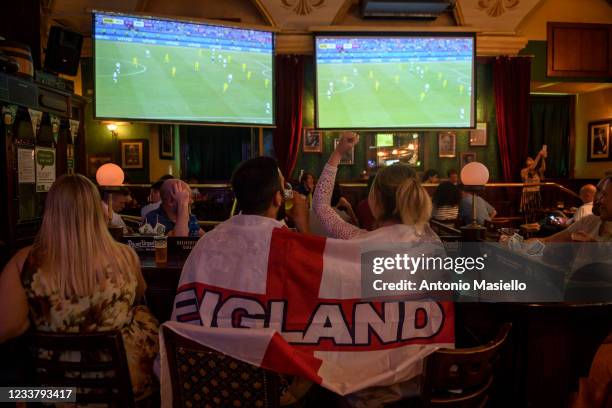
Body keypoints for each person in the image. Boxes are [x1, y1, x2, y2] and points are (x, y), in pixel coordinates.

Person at [0, 174, 159, 400]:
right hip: (124, 389)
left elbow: (6, 328)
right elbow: (138, 296)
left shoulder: (24, 262)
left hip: (53, 394)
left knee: (6, 393)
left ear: (50, 210)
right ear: (96, 210)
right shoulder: (126, 256)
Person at [170, 157, 312, 405]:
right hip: (271, 387)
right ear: (279, 199)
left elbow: (184, 315)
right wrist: (303, 227)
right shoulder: (293, 247)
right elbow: (321, 301)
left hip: (204, 382)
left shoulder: (206, 243)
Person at [540, 175, 612, 243]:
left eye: (603, 194)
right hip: (568, 224)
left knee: (546, 226)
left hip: (564, 226)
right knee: (556, 213)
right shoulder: (589, 219)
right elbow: (547, 241)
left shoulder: (584, 210)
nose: (598, 199)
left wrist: (595, 248)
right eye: (598, 192)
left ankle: (538, 225)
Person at [520, 146, 547, 222]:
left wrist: (543, 157)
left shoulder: (538, 171)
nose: (529, 159)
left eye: (531, 159)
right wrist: (539, 154)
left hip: (536, 193)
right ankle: (526, 225)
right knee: (526, 211)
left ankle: (535, 227)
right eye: (527, 159)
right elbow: (532, 167)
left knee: (535, 212)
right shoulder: (523, 171)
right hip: (527, 194)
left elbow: (543, 168)